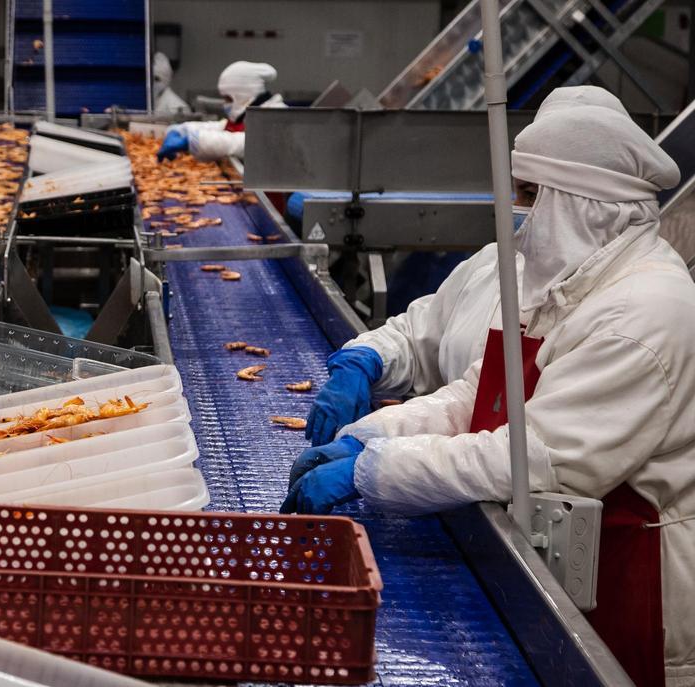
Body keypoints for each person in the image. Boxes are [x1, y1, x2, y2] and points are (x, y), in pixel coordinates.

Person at [284, 90, 695, 686]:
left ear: (582, 204)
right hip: (556, 561)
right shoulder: (561, 282)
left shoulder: (645, 312)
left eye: (528, 196)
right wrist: (367, 437)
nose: (513, 212)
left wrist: (370, 472)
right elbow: (474, 400)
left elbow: (535, 457)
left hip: (634, 581)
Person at [304, 85, 632, 446]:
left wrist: (385, 459)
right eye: (522, 192)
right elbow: (421, 336)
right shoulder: (495, 263)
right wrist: (369, 358)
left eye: (536, 195)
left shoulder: (615, 306)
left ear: (587, 201)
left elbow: (524, 448)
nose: (522, 209)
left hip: (481, 483)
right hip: (436, 471)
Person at [156, 61, 284, 162]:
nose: (225, 104)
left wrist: (193, 141)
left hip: (270, 194)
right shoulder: (249, 113)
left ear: (242, 95)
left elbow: (247, 143)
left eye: (228, 98)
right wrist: (183, 130)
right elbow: (223, 128)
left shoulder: (276, 116)